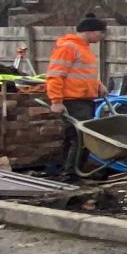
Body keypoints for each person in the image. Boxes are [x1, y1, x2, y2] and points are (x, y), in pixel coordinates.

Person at [46, 15, 108, 175]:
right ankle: (70, 173)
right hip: (73, 100)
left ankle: (69, 169)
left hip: (84, 100)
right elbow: (55, 75)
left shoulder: (84, 48)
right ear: (90, 31)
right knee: (80, 137)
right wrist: (56, 101)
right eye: (100, 33)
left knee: (75, 136)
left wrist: (98, 84)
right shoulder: (68, 48)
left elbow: (82, 73)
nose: (102, 36)